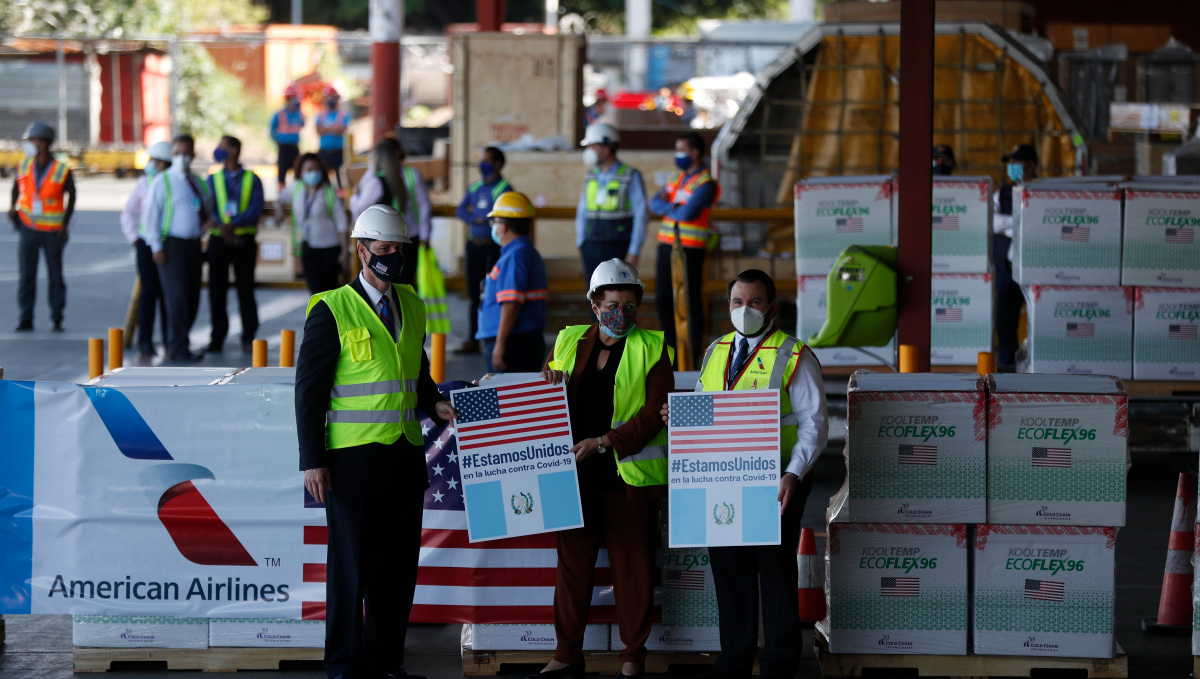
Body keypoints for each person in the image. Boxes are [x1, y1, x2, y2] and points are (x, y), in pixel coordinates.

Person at [296, 204, 457, 679]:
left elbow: (415, 370)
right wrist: (313, 460)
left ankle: (385, 660)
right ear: (361, 250)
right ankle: (345, 667)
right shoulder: (330, 308)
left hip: (405, 456)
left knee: (396, 568)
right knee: (351, 570)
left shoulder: (412, 303)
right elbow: (309, 392)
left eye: (398, 249)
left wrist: (433, 404)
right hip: (350, 462)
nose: (392, 256)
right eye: (383, 249)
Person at [663, 269, 828, 679]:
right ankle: (733, 662)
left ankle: (780, 665)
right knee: (730, 574)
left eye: (754, 302)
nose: (745, 310)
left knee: (774, 574)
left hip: (777, 483)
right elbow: (706, 408)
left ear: (771, 307)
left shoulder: (794, 355)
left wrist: (793, 474)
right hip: (723, 480)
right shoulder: (716, 349)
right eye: (738, 302)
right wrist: (678, 418)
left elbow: (815, 424)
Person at [533, 259, 671, 679]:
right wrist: (548, 378)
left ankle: (632, 655)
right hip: (573, 475)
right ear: (594, 303)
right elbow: (549, 388)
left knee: (634, 571)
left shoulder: (653, 347)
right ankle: (566, 654)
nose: (622, 313)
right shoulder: (569, 339)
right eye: (613, 304)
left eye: (630, 306)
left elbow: (655, 413)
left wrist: (605, 442)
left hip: (624, 476)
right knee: (573, 570)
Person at [141, 134, 213, 363]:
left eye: (186, 153)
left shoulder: (198, 182)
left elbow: (205, 209)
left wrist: (206, 225)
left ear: (193, 155)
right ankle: (177, 347)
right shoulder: (163, 181)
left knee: (192, 298)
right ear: (172, 155)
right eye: (177, 153)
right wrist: (156, 246)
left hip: (193, 245)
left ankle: (181, 343)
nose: (182, 157)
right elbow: (151, 216)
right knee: (177, 298)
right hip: (171, 246)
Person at [650, 132, 720, 367]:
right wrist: (675, 206)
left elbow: (688, 214)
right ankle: (671, 356)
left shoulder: (706, 184)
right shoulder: (676, 177)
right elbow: (654, 203)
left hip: (690, 250)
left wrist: (669, 206)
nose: (677, 154)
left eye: (681, 149)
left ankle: (690, 357)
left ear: (695, 152)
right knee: (663, 302)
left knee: (687, 305)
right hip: (666, 248)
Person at [9, 121, 76, 332]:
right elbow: (16, 189)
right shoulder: (24, 165)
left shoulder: (61, 169)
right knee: (27, 275)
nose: (30, 144)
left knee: (55, 276)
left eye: (33, 140)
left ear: (44, 143)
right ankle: (25, 318)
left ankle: (57, 318)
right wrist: (13, 208)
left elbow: (72, 196)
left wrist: (65, 223)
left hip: (52, 231)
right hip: (28, 227)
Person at [476, 191, 547, 373]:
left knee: (505, 398)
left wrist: (500, 344)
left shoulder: (515, 257)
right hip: (521, 340)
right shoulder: (525, 252)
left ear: (504, 226)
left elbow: (511, 304)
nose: (493, 226)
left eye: (495, 222)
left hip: (513, 342)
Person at [205, 135, 264, 353]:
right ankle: (217, 337)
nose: (217, 151)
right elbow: (208, 206)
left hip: (243, 241)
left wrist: (232, 225)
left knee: (245, 290)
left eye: (222, 147)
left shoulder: (252, 179)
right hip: (219, 241)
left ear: (234, 151)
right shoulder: (213, 179)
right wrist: (222, 227)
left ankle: (249, 336)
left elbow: (255, 209)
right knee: (216, 291)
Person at [454, 146, 512, 354]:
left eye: (487, 160)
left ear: (498, 164)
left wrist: (483, 219)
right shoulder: (475, 187)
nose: (482, 164)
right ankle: (472, 339)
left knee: (492, 294)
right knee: (472, 294)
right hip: (473, 246)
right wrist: (477, 219)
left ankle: (493, 337)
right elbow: (460, 210)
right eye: (482, 160)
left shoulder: (504, 189)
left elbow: (505, 218)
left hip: (493, 248)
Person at [349, 138, 431, 286]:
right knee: (405, 281)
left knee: (384, 282)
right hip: (405, 237)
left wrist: (354, 196)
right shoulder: (399, 179)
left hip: (383, 240)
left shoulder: (376, 182)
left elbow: (359, 208)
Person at [576, 123, 648, 285]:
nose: (589, 152)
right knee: (594, 295)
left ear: (606, 149)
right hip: (591, 246)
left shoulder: (631, 175)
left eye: (592, 147)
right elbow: (582, 210)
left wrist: (633, 251)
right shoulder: (591, 176)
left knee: (617, 295)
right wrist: (581, 242)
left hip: (618, 247)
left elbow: (641, 214)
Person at [121, 140, 173, 355]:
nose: (150, 163)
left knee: (167, 294)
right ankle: (146, 341)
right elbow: (127, 213)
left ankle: (170, 341)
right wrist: (134, 237)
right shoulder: (144, 183)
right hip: (146, 244)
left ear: (163, 163)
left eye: (154, 160)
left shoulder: (172, 182)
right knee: (149, 292)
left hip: (168, 244)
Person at [278, 153, 349, 295]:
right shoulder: (297, 188)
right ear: (301, 172)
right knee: (314, 290)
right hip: (307, 247)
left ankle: (330, 317)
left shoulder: (329, 191)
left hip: (329, 247)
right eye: (309, 170)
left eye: (316, 169)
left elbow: (342, 223)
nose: (313, 173)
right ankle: (317, 317)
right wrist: (278, 212)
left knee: (330, 290)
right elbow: (279, 199)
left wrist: (344, 252)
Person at [993, 143, 1037, 368]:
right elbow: (993, 222)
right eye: (1009, 162)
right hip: (1007, 266)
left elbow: (1040, 224)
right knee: (1005, 320)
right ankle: (1007, 367)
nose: (1011, 166)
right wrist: (1021, 223)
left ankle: (1033, 365)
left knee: (1036, 316)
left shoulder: (1043, 191)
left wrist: (1010, 225)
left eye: (1016, 162)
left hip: (1035, 264)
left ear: (1031, 165)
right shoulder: (1002, 193)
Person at [271, 84, 305, 190]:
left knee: (298, 171)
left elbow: (303, 124)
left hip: (294, 146)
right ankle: (281, 193)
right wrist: (278, 141)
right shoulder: (279, 114)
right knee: (282, 171)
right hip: (283, 147)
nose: (295, 101)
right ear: (287, 99)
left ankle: (297, 192)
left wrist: (300, 112)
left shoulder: (299, 113)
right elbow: (272, 130)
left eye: (296, 98)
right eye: (293, 99)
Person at [316, 85, 351, 188]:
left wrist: (326, 129)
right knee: (323, 180)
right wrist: (334, 129)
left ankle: (340, 200)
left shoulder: (343, 114)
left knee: (341, 180)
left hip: (338, 152)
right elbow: (318, 130)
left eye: (333, 97)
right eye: (328, 97)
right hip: (324, 153)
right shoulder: (320, 115)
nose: (330, 99)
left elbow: (341, 130)